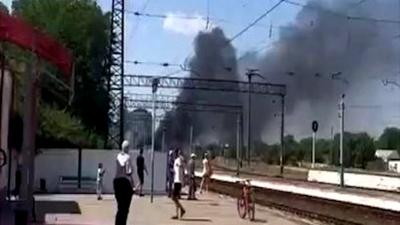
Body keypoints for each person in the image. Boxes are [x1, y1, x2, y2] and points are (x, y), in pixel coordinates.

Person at [114, 140, 135, 225]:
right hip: (124, 183)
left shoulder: (118, 156)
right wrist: (133, 186)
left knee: (120, 208)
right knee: (125, 208)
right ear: (127, 148)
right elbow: (128, 172)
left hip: (116, 182)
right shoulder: (128, 157)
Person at [171, 148, 186, 220]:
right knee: (176, 198)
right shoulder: (176, 160)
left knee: (173, 197)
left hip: (178, 181)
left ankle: (182, 209)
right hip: (176, 180)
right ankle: (177, 214)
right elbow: (176, 170)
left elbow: (181, 166)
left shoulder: (179, 159)